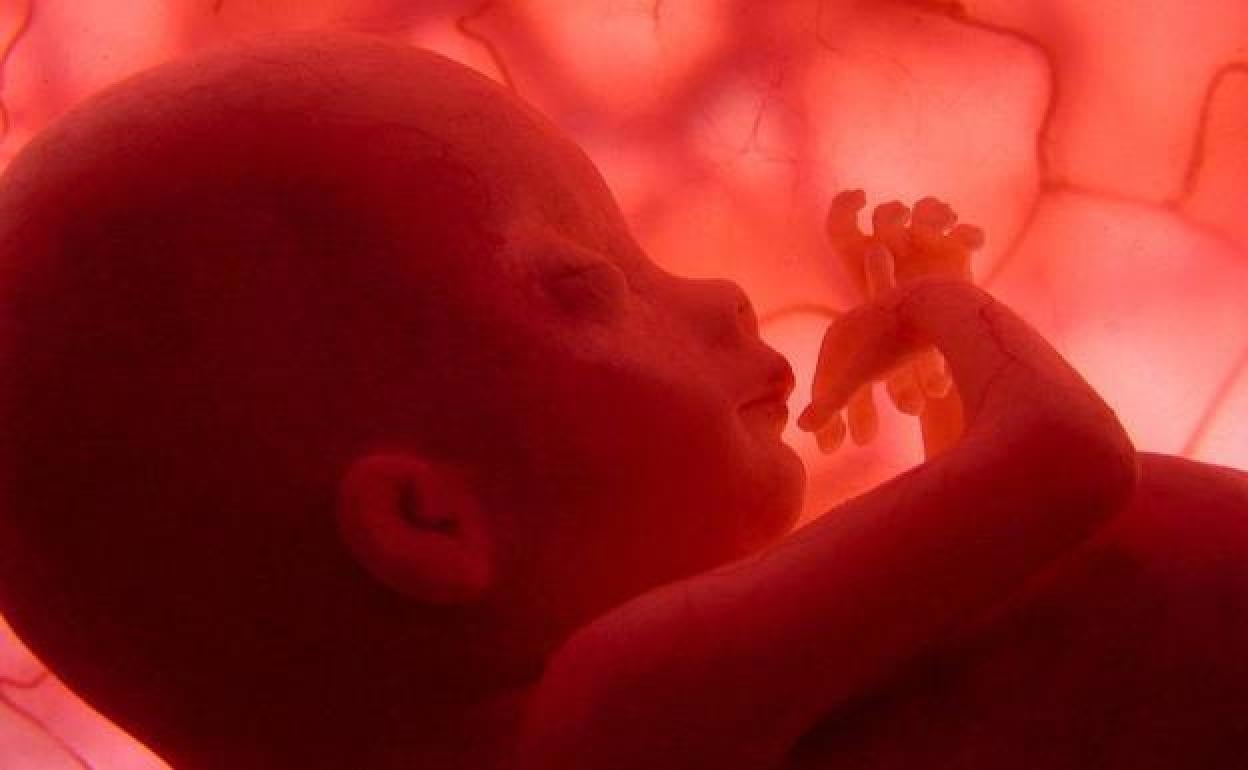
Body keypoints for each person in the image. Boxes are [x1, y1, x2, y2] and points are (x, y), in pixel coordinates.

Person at [0, 31, 1232, 770]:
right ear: (434, 522)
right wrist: (954, 318)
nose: (721, 301)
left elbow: (983, 646)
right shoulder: (621, 704)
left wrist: (947, 448)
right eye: (589, 286)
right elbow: (1069, 464)